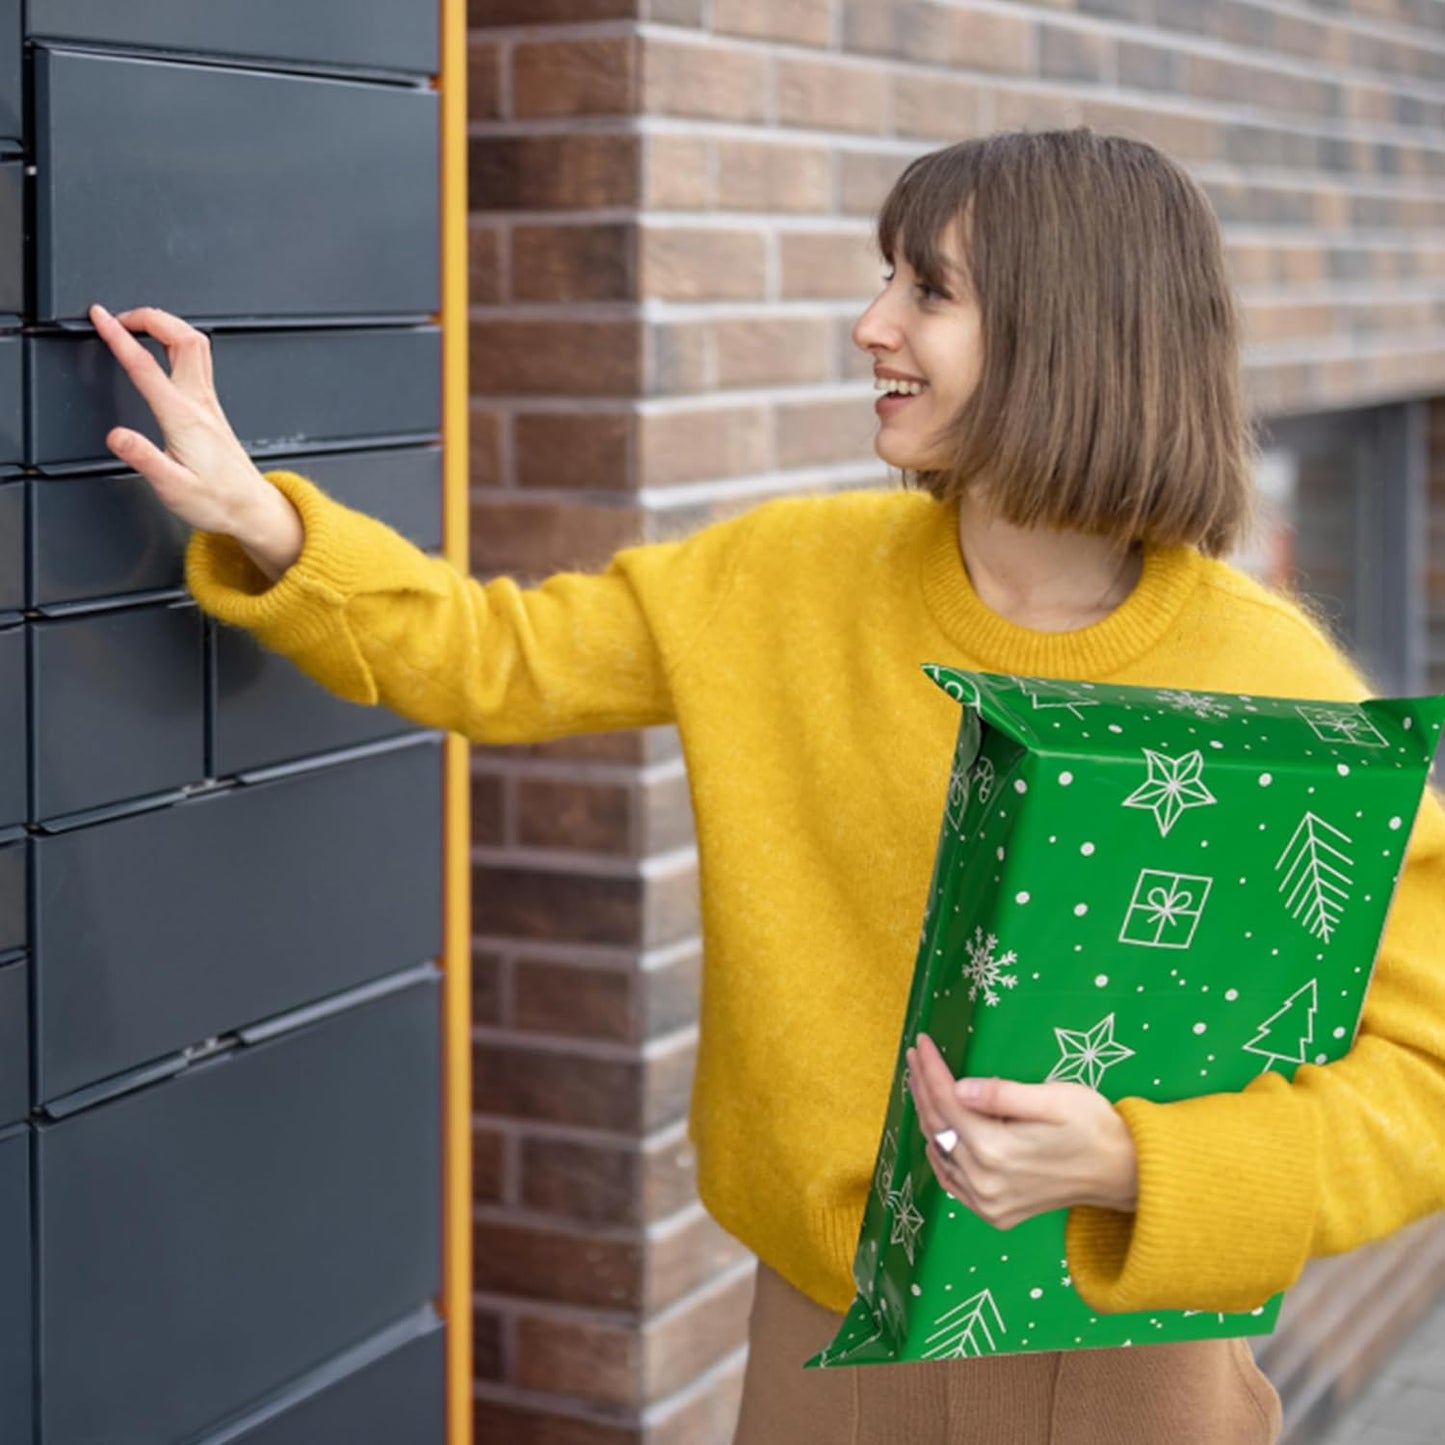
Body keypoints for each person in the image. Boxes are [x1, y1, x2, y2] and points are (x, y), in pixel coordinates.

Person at [88, 129, 1445, 1444]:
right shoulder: (783, 578)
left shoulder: (1268, 682)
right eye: (883, 277)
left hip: (1125, 1372)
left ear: (1072, 332)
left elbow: (1424, 1077)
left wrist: (1136, 1162)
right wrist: (266, 517)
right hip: (820, 1348)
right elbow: (491, 656)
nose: (870, 323)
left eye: (927, 289)